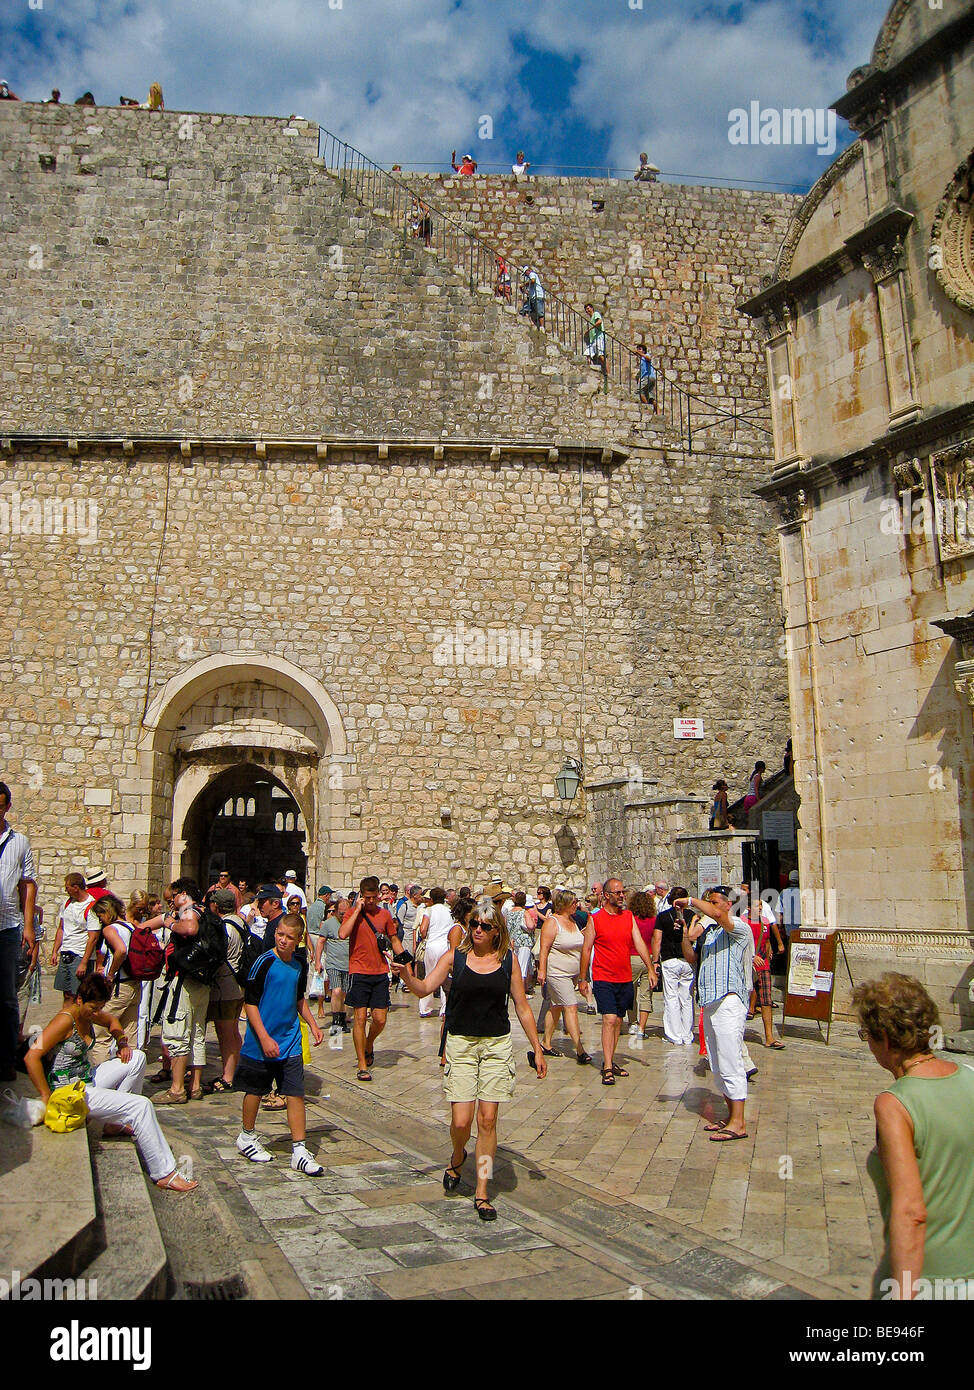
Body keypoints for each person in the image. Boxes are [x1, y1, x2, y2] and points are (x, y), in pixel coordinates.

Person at [393, 896, 546, 1221]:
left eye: (484, 926)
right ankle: (459, 1153)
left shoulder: (507, 962)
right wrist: (406, 976)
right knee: (462, 1122)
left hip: (496, 1046)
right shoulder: (455, 958)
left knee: (487, 1121)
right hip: (461, 1044)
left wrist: (537, 1046)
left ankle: (482, 1189)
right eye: (474, 923)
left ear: (496, 931)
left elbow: (521, 1006)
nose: (477, 929)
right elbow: (423, 989)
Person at [854, 973, 974, 1300]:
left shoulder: (894, 1105)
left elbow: (911, 1211)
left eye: (867, 1034)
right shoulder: (970, 1077)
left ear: (886, 1040)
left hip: (930, 1279)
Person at [25, 974, 197, 1191]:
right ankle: (164, 1173)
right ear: (79, 1000)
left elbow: (112, 1021)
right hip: (69, 1092)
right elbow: (31, 1057)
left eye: (100, 1007)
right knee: (141, 1106)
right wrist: (46, 1096)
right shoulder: (64, 1020)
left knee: (137, 1058)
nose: (97, 1012)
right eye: (93, 1007)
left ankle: (115, 1124)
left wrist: (122, 1042)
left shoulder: (88, 1015)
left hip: (87, 1080)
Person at [234, 914, 324, 1173]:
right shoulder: (263, 962)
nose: (283, 940)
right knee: (255, 1090)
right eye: (280, 934)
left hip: (290, 1038)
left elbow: (298, 999)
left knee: (295, 1092)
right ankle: (247, 1136)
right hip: (261, 1039)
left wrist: (312, 1024)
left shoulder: (298, 964)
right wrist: (263, 1037)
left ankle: (299, 1149)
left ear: (298, 941)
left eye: (289, 937)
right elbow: (250, 1003)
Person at [676, 886, 752, 1140]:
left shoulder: (739, 928)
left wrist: (691, 901)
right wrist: (685, 935)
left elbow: (718, 916)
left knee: (731, 1059)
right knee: (718, 1063)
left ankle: (739, 1123)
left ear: (728, 905)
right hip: (709, 1002)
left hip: (729, 1000)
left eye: (714, 902)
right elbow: (691, 958)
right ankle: (731, 1116)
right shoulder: (709, 933)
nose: (709, 906)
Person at [579, 877, 656, 1085]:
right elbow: (586, 948)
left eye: (623, 892)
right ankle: (606, 1066)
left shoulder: (628, 916)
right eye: (617, 893)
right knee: (609, 1019)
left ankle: (611, 1060)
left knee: (619, 1020)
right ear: (606, 895)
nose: (622, 896)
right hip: (603, 976)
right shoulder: (595, 919)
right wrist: (583, 977)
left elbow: (639, 942)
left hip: (624, 976)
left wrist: (650, 968)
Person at [153, 878, 213, 1106]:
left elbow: (189, 929)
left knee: (178, 1032)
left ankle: (177, 1089)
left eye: (173, 898)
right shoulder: (205, 911)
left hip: (183, 980)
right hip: (202, 980)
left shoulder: (188, 911)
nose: (171, 904)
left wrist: (170, 924)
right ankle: (195, 1086)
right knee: (197, 1033)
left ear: (184, 894)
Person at [339, 875, 404, 1081]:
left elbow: (394, 939)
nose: (370, 901)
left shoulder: (384, 915)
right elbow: (342, 934)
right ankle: (362, 1064)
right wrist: (357, 910)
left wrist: (404, 963)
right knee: (359, 1018)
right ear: (361, 895)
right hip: (359, 971)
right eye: (367, 897)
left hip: (379, 972)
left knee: (380, 1019)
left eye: (374, 897)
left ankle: (369, 1043)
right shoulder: (352, 913)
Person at [0, 781, 36, 1083]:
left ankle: (7, 1058)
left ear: (7, 806)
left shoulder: (19, 841)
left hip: (7, 927)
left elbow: (27, 884)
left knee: (8, 997)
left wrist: (28, 926)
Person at [536, 889, 590, 1064]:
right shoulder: (552, 923)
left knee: (556, 1006)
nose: (576, 905)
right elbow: (544, 949)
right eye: (573, 902)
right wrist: (542, 971)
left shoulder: (574, 921)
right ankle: (580, 1049)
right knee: (570, 1006)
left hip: (572, 973)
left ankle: (546, 1042)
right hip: (557, 973)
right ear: (564, 904)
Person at [88, 894, 141, 1067]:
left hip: (119, 986)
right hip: (134, 984)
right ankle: (130, 1076)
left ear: (107, 912)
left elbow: (121, 950)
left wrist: (110, 974)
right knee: (129, 1033)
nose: (100, 920)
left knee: (101, 1032)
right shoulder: (131, 927)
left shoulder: (110, 929)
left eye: (100, 916)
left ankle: (101, 1077)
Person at [203, 887, 245, 1091]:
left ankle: (228, 1077)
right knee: (233, 1032)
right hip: (237, 985)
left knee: (225, 1033)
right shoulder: (240, 922)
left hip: (225, 986)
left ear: (216, 906)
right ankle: (235, 1071)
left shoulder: (225, 927)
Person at [740, 882, 785, 1047]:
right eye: (756, 906)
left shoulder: (765, 922)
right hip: (746, 965)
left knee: (766, 999)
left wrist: (770, 949)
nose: (759, 908)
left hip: (763, 964)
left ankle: (769, 1037)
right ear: (749, 908)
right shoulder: (742, 922)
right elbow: (740, 945)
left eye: (760, 906)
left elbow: (765, 940)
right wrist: (752, 957)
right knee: (742, 1000)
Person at [652, 887, 695, 1045]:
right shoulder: (693, 916)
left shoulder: (663, 917)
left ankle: (674, 1035)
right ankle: (687, 1034)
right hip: (688, 960)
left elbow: (657, 939)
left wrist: (655, 960)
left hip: (670, 960)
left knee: (671, 998)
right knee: (686, 998)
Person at [51, 872, 99, 999]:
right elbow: (61, 928)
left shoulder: (91, 907)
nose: (66, 890)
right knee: (66, 994)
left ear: (76, 887)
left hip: (79, 954)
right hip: (66, 952)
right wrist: (55, 951)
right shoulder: (67, 904)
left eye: (67, 887)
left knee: (79, 995)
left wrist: (84, 962)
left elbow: (93, 938)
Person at [418, 887, 453, 1019]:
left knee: (429, 976)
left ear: (431, 898)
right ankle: (444, 1008)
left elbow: (423, 929)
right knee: (445, 977)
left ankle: (425, 1008)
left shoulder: (429, 910)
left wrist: (425, 936)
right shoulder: (449, 911)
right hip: (445, 946)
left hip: (432, 945)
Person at [626, 888, 657, 1038]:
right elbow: (655, 940)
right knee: (646, 994)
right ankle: (642, 1029)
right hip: (648, 958)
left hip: (631, 957)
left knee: (630, 993)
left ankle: (632, 1023)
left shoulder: (629, 919)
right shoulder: (653, 921)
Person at [321, 895, 351, 1033]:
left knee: (344, 993)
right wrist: (317, 961)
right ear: (335, 911)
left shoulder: (351, 923)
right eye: (341, 913)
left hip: (348, 964)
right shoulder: (328, 924)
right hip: (333, 963)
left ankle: (343, 1020)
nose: (343, 916)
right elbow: (321, 941)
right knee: (336, 990)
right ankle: (335, 1022)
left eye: (346, 913)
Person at [584, 303, 607, 374]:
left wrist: (590, 328)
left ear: (592, 308)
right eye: (586, 310)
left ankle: (607, 371)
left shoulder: (596, 314)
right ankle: (591, 370)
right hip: (593, 340)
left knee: (601, 355)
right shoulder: (591, 319)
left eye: (588, 309)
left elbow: (599, 321)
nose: (587, 311)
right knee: (587, 353)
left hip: (599, 337)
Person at [635, 344, 657, 410]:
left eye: (640, 349)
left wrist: (640, 353)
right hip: (650, 378)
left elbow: (649, 358)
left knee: (639, 391)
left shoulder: (646, 355)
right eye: (638, 349)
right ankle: (658, 412)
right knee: (649, 396)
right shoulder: (642, 360)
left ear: (644, 351)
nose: (638, 350)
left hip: (648, 377)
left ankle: (648, 407)